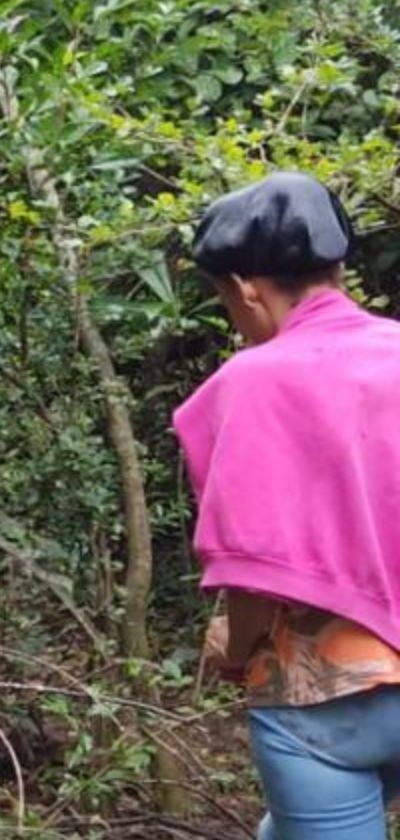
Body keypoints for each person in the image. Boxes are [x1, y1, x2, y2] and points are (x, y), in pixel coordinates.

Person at [174, 171, 400, 840]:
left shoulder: (247, 384)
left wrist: (234, 649)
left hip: (326, 706)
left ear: (245, 288)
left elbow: (252, 573)